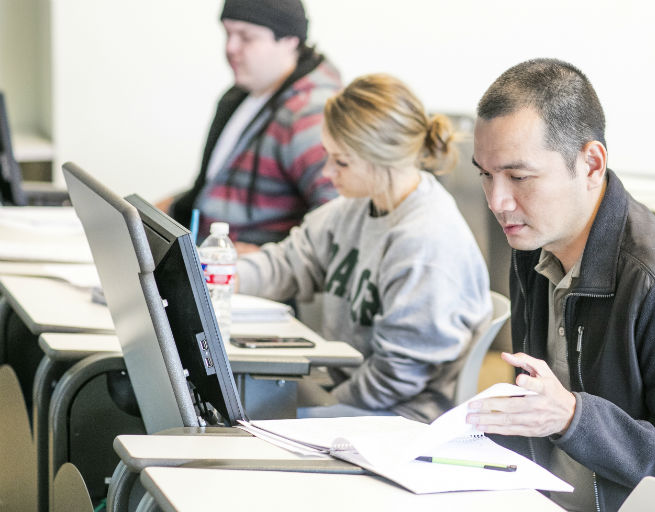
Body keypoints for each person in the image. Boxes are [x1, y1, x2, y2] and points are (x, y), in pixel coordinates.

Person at [466, 58, 655, 511]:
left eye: (519, 177)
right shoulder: (533, 250)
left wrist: (573, 417)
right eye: (485, 174)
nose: (498, 201)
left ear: (592, 164)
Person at [236, 74, 492, 422]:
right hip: (352, 394)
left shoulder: (425, 242)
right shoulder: (357, 207)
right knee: (240, 398)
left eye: (341, 162)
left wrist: (318, 406)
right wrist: (219, 277)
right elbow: (288, 262)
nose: (327, 172)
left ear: (382, 160)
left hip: (398, 419)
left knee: (245, 416)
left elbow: (397, 377)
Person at [163, 0, 341, 252]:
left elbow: (338, 218)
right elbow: (207, 191)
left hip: (248, 279)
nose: (230, 48)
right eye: (227, 33)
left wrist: (266, 258)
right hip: (206, 260)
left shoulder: (310, 114)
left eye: (246, 37)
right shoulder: (242, 95)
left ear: (290, 39)